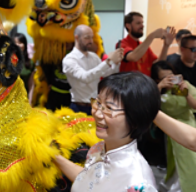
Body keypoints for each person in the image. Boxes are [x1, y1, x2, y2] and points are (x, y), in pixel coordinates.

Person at [55, 72, 160, 192]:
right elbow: (88, 182)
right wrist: (54, 155)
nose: (98, 114)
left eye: (109, 108)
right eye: (98, 103)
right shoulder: (98, 148)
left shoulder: (138, 183)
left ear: (136, 118)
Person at [151, 61, 196, 192]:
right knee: (178, 164)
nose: (170, 80)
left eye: (172, 76)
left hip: (190, 125)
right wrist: (158, 88)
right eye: (165, 78)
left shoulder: (183, 85)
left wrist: (186, 93)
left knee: (191, 161)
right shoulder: (156, 92)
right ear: (158, 79)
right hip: (171, 131)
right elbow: (148, 106)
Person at [63, 25, 123, 115]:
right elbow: (85, 77)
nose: (91, 41)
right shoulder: (69, 59)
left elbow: (107, 74)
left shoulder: (94, 57)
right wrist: (108, 61)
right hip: (79, 107)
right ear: (77, 37)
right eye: (87, 37)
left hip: (95, 105)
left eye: (92, 37)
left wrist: (116, 63)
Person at [119, 12, 175, 76]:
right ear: (128, 26)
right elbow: (133, 57)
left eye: (142, 23)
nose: (142, 26)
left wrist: (166, 45)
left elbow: (158, 64)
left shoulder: (142, 45)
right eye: (138, 23)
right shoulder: (122, 44)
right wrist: (152, 36)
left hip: (146, 84)